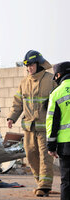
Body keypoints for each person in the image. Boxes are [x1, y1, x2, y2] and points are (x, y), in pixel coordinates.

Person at [7, 50, 56, 197]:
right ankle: (39, 182)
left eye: (31, 65)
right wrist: (11, 118)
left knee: (45, 157)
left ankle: (45, 186)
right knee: (30, 156)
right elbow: (17, 103)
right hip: (29, 127)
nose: (29, 68)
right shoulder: (24, 82)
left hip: (45, 127)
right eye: (27, 66)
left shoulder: (51, 80)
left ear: (39, 64)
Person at [46, 61, 70, 200]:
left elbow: (52, 122)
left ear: (59, 75)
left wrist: (51, 146)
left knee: (67, 180)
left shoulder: (56, 93)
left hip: (66, 145)